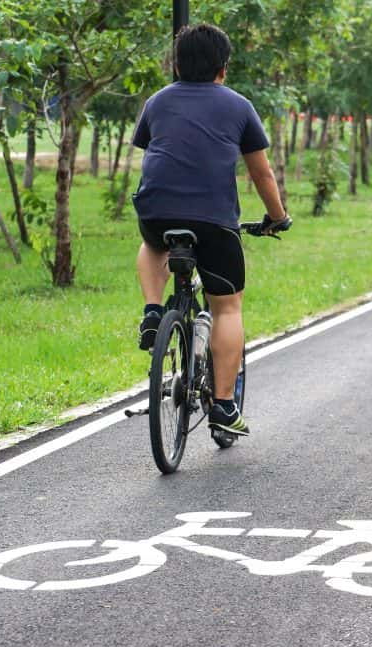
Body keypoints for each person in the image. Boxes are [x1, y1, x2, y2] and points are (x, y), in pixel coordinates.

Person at [132, 23, 290, 437]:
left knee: (152, 244)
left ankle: (152, 311)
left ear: (177, 64)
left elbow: (155, 152)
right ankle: (223, 405)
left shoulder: (157, 102)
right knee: (228, 306)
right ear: (223, 68)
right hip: (214, 220)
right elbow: (262, 173)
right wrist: (277, 217)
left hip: (156, 210)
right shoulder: (239, 106)